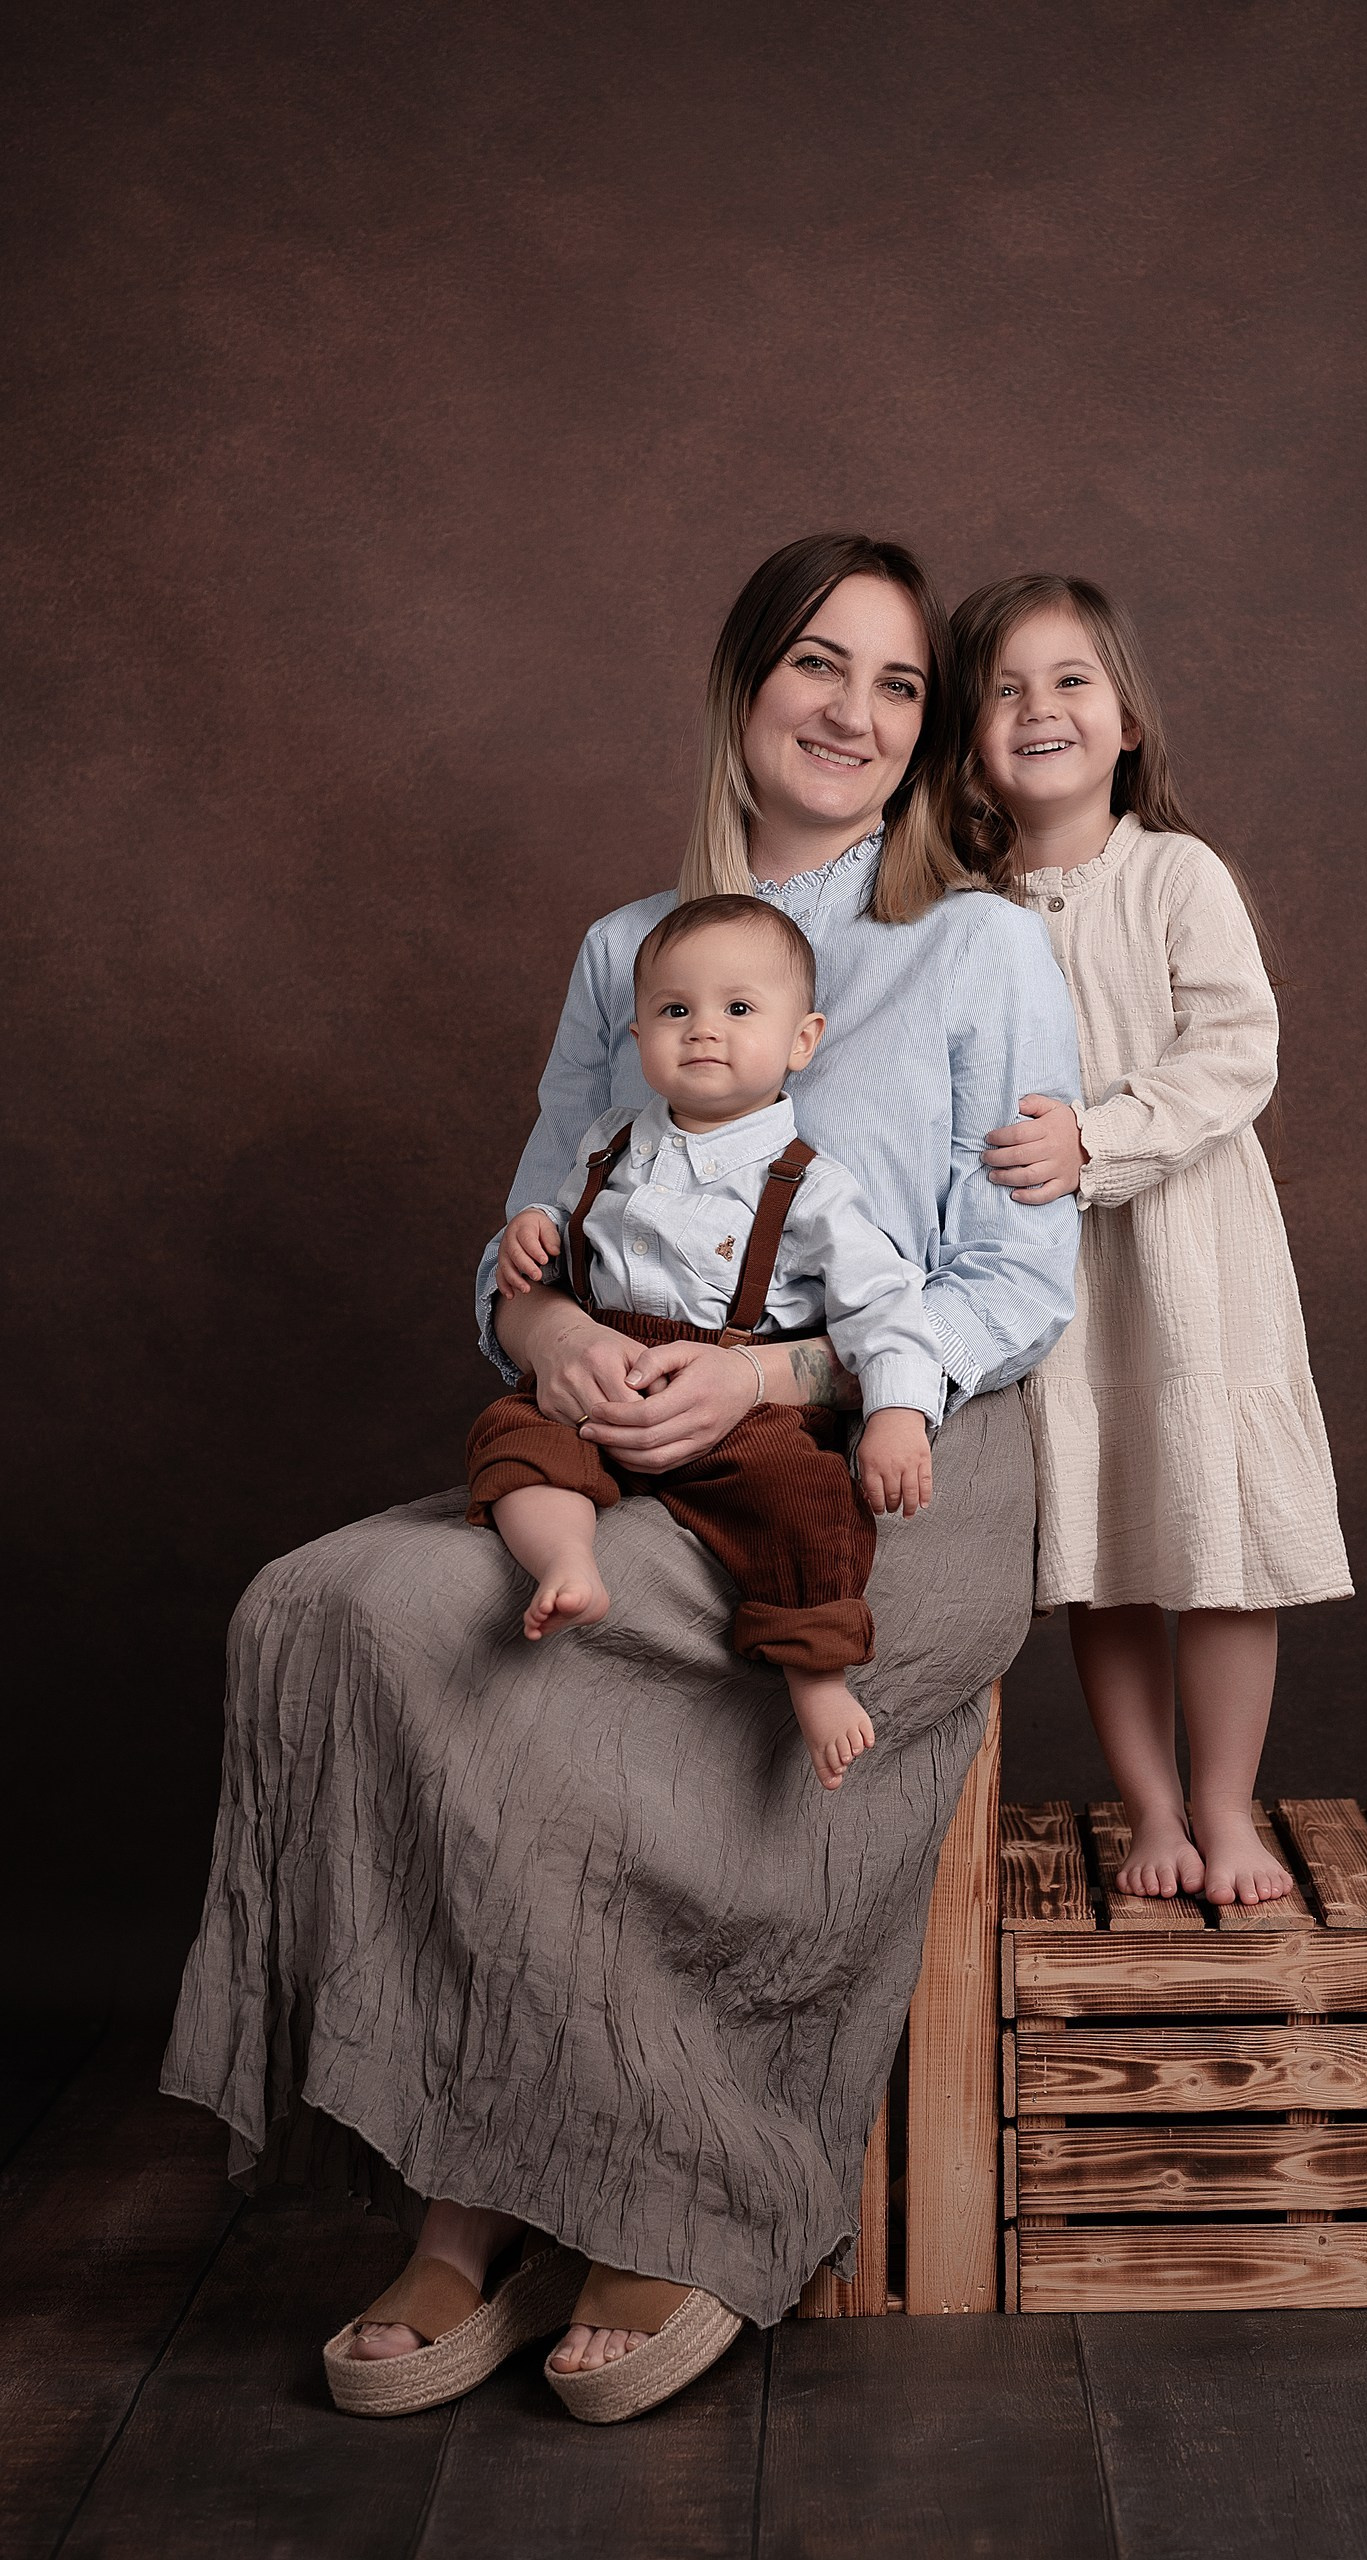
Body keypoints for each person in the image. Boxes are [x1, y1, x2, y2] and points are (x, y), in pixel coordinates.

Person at [161, 532, 1081, 2426]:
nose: (853, 711)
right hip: (628, 1458)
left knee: (508, 1653)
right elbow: (524, 1240)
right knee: (330, 1603)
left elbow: (1018, 1283)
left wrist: (782, 1365)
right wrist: (550, 1343)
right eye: (817, 665)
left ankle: (661, 2183)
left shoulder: (979, 943)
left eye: (900, 685)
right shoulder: (625, 951)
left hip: (888, 1469)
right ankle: (476, 2192)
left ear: (925, 737)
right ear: (744, 687)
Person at [955, 573, 1352, 1909]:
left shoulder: (1175, 875)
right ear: (969, 740)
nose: (1037, 708)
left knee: (1217, 1535)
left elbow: (1236, 1050)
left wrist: (1098, 1138)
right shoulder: (969, 917)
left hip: (1193, 1257)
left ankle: (1228, 1807)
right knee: (1105, 1532)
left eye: (1068, 680)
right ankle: (1151, 1809)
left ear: (1124, 720)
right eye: (1003, 689)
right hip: (1056, 1273)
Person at [469, 891, 942, 1791]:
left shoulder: (809, 1184)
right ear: (639, 1034)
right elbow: (569, 1223)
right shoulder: (607, 1141)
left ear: (801, 1042)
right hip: (606, 1375)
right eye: (674, 1011)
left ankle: (815, 1673)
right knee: (512, 1431)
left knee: (805, 1494)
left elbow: (886, 1307)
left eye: (738, 1009)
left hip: (735, 1395)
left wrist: (898, 1416)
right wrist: (534, 1225)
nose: (702, 1031)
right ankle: (568, 1563)